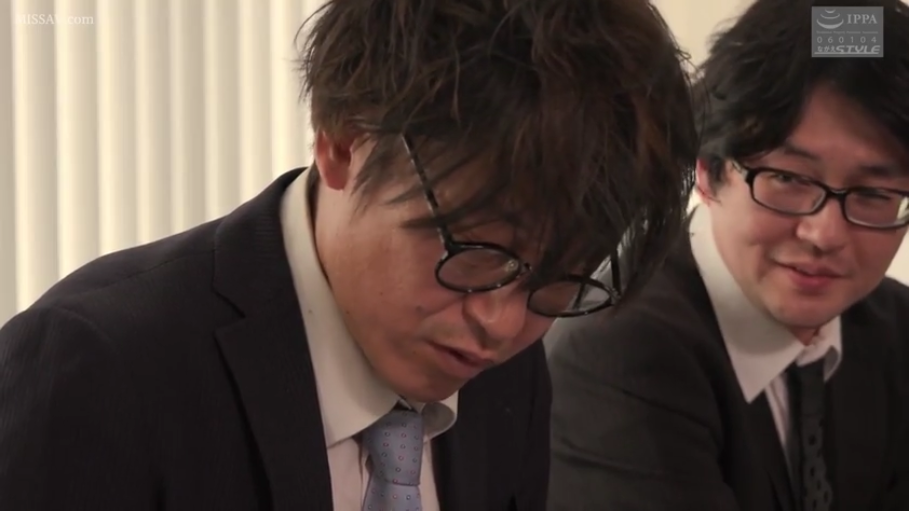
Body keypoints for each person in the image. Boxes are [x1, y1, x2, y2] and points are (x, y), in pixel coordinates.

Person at [0, 1, 698, 510]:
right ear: (342, 140)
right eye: (476, 251)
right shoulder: (100, 370)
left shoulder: (506, 372)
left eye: (559, 278)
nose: (501, 322)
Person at [546, 0, 909, 510]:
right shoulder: (614, 351)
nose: (825, 233)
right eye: (788, 179)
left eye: (873, 194)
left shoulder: (896, 332)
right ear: (707, 171)